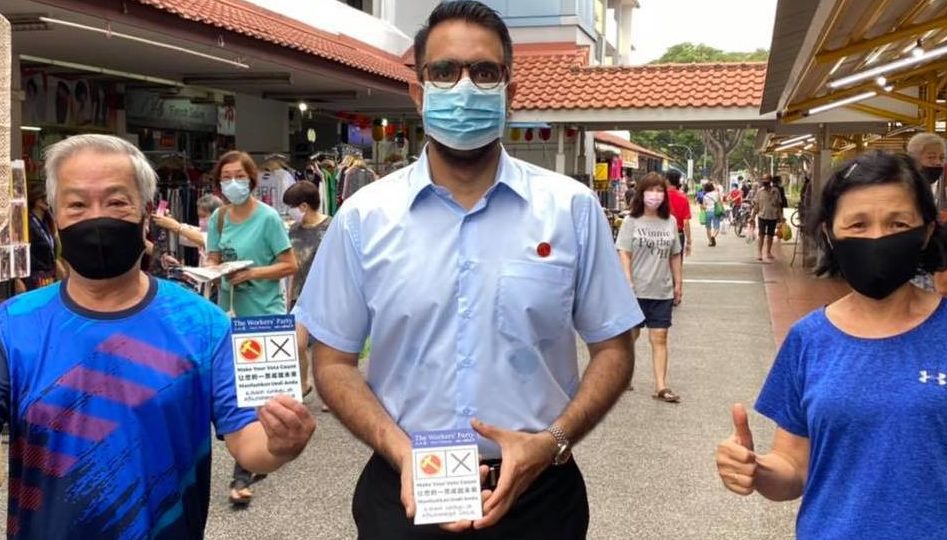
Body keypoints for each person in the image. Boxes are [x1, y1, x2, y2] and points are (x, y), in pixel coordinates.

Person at [293, 2, 642, 538]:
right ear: (418, 90)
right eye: (444, 71)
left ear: (509, 90)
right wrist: (397, 449)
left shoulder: (571, 210)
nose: (464, 86)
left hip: (539, 494)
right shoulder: (363, 217)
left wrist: (552, 443)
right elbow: (333, 361)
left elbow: (614, 348)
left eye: (483, 72)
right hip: (405, 489)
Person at [0, 134, 315, 538]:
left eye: (117, 202)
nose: (97, 218)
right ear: (56, 218)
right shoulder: (13, 325)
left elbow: (248, 440)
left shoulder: (203, 325)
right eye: (77, 204)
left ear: (146, 214)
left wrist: (281, 443)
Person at [715, 150, 947, 539]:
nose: (878, 238)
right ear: (829, 234)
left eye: (898, 223)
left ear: (925, 231)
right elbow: (794, 468)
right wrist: (757, 470)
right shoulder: (809, 338)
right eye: (857, 224)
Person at [205, 150, 300, 505]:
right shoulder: (217, 218)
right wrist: (212, 267)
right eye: (226, 177)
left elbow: (289, 265)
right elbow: (213, 256)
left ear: (251, 179)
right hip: (228, 313)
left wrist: (251, 272)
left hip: (264, 315)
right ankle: (246, 464)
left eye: (239, 176)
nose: (233, 183)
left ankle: (248, 467)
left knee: (262, 392)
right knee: (237, 393)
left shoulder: (268, 218)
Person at [616, 173, 683, 402]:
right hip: (635, 290)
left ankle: (661, 386)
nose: (655, 195)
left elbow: (675, 255)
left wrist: (678, 283)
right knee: (630, 336)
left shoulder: (670, 222)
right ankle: (622, 378)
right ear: (641, 194)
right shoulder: (631, 222)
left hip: (661, 290)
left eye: (659, 191)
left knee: (660, 337)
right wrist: (627, 279)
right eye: (650, 190)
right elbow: (624, 252)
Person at [282, 181, 332, 400]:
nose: (289, 213)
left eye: (291, 207)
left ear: (303, 206)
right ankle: (303, 383)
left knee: (325, 349)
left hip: (329, 295)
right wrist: (289, 298)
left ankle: (328, 394)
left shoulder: (331, 226)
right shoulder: (293, 230)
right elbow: (293, 266)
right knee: (298, 343)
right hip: (301, 295)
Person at [152, 193, 224, 267]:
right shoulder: (203, 231)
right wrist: (168, 220)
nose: (201, 220)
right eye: (199, 216)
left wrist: (176, 226)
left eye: (204, 216)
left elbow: (202, 238)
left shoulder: (221, 234)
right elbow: (187, 232)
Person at [14, 183, 62, 292]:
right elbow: (20, 250)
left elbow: (55, 246)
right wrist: (18, 278)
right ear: (37, 201)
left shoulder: (47, 222)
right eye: (45, 197)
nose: (48, 201)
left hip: (49, 275)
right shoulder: (28, 224)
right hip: (35, 277)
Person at [752, 175, 782, 261]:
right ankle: (759, 253)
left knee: (770, 235)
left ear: (770, 180)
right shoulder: (759, 192)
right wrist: (752, 217)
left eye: (767, 179)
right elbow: (756, 205)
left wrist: (781, 218)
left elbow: (778, 205)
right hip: (762, 216)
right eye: (763, 179)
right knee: (761, 235)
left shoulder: (776, 191)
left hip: (773, 217)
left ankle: (768, 252)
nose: (765, 181)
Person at [665, 170, 692, 259]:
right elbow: (686, 222)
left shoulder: (661, 196)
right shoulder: (683, 198)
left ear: (667, 180)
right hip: (678, 234)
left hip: (661, 234)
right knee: (677, 263)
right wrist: (688, 241)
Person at [702, 181, 722, 246]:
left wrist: (705, 207)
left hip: (708, 212)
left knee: (708, 228)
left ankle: (710, 242)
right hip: (715, 211)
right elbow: (720, 201)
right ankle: (713, 236)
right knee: (717, 227)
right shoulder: (716, 194)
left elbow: (704, 206)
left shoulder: (705, 196)